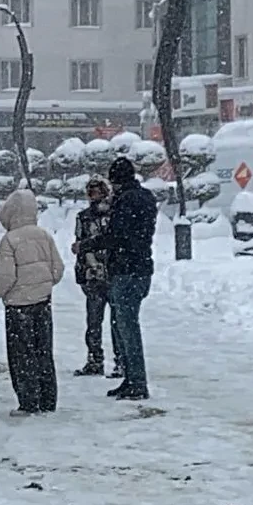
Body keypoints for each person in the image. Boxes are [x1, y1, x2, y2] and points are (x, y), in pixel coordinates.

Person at [73, 157, 157, 400]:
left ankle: (137, 382)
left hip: (126, 269)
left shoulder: (126, 201)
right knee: (126, 326)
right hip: (142, 266)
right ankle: (131, 378)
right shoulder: (146, 197)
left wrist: (86, 245)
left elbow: (116, 235)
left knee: (127, 328)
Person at [0, 189, 64, 416]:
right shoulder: (44, 235)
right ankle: (48, 398)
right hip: (43, 302)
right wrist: (44, 284)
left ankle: (28, 400)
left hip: (18, 305)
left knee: (21, 354)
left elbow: (5, 277)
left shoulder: (10, 240)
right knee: (43, 350)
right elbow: (58, 269)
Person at [73, 178, 122, 378]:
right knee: (95, 321)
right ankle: (95, 359)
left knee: (114, 322)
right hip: (94, 275)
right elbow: (79, 244)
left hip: (110, 272)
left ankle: (118, 360)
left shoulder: (113, 215)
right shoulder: (84, 217)